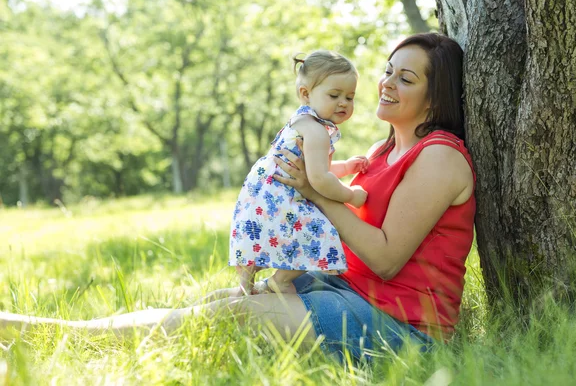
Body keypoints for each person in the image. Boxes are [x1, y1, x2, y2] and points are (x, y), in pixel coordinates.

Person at [0, 33, 475, 362]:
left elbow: (388, 258)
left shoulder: (439, 158)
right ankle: (56, 336)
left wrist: (315, 191)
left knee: (233, 316)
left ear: (436, 99)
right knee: (223, 299)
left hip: (404, 328)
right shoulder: (384, 149)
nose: (387, 83)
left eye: (406, 79)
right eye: (389, 71)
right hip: (350, 291)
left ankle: (54, 336)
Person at [230, 50, 368, 295]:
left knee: (261, 235)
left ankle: (245, 285)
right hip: (284, 196)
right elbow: (318, 179)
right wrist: (350, 196)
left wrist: (346, 167)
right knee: (324, 234)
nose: (344, 103)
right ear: (306, 93)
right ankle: (281, 280)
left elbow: (313, 168)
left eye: (350, 97)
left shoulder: (302, 120)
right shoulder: (315, 131)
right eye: (334, 95)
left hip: (263, 193)